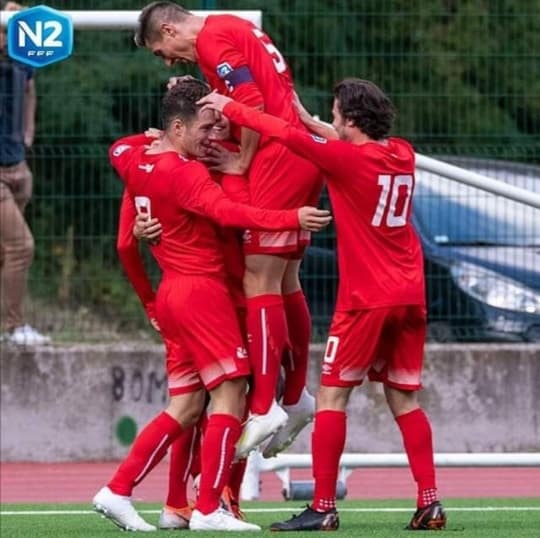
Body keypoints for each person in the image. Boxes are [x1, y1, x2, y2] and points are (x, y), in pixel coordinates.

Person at [198, 79, 447, 531]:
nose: (330, 121)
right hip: (410, 294)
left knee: (332, 396)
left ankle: (324, 506)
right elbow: (330, 136)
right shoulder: (402, 153)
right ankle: (429, 500)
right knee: (404, 399)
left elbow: (287, 136)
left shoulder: (345, 161)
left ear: (350, 120)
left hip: (365, 300)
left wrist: (231, 106)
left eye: (334, 114)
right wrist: (312, 118)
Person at [92, 80, 330, 532]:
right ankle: (208, 508)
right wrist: (290, 216)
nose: (215, 135)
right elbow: (232, 214)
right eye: (206, 126)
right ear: (178, 126)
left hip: (174, 294)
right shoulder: (188, 173)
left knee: (185, 408)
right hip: (207, 294)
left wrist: (154, 141)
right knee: (230, 396)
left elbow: (120, 156)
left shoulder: (134, 157)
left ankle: (125, 491)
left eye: (222, 124)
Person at [135, 2, 324, 458]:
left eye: (162, 49)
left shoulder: (211, 39)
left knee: (258, 278)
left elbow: (253, 103)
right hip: (298, 149)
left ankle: (265, 406)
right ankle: (295, 397)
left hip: (277, 154)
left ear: (168, 27)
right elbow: (246, 92)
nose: (166, 60)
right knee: (284, 279)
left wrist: (242, 159)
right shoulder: (230, 27)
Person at [0, 1, 50, 345]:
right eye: (4, 26)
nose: (8, 35)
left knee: (6, 251)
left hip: (18, 167)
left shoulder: (22, 62)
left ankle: (9, 326)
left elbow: (30, 92)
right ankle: (15, 328)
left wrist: (27, 137)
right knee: (21, 246)